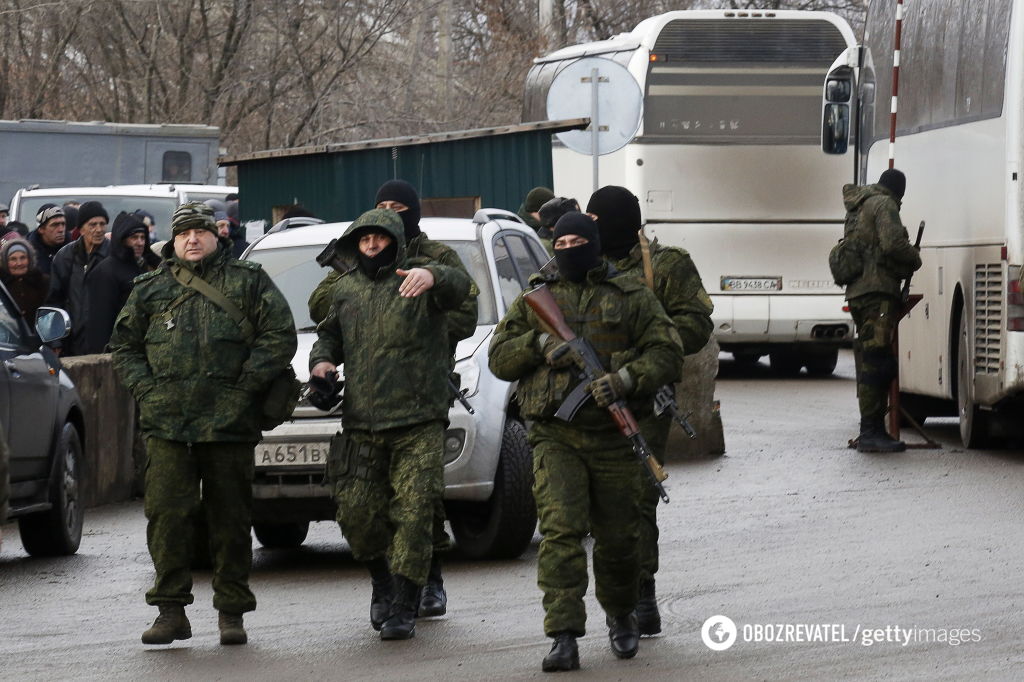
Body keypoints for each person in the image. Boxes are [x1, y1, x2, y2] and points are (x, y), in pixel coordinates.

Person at [487, 212, 684, 672]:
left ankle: (620, 614)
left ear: (595, 244)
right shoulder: (538, 296)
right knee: (561, 532)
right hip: (555, 436)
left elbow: (668, 349)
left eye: (579, 240)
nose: (570, 248)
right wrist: (538, 346)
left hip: (613, 439)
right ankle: (563, 634)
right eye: (563, 241)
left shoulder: (630, 294)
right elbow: (499, 356)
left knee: (618, 539)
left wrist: (626, 378)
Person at [109, 202, 296, 646]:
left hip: (228, 423)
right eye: (183, 234)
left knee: (230, 519)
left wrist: (245, 388)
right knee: (167, 517)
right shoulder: (150, 289)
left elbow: (279, 336)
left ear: (217, 237)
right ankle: (170, 611)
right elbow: (124, 347)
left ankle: (232, 612)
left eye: (200, 232)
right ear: (172, 242)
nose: (192, 239)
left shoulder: (248, 283)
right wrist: (147, 391)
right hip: (168, 425)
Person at [309, 179, 479, 618]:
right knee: (362, 509)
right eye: (380, 206)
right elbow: (326, 318)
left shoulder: (434, 259)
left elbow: (464, 304)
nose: (386, 216)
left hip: (419, 400)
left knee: (419, 504)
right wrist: (322, 363)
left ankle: (418, 588)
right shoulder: (351, 278)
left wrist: (428, 297)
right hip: (365, 412)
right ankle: (387, 584)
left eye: (397, 208)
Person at [586, 185, 714, 636]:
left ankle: (642, 594)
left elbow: (696, 326)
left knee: (639, 498)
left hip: (644, 401)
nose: (593, 230)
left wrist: (642, 350)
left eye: (600, 220)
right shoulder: (582, 262)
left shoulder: (667, 265)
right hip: (586, 401)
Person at [841, 168, 922, 452]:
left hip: (859, 292)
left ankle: (872, 429)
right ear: (898, 191)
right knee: (878, 363)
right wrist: (914, 258)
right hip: (877, 292)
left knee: (873, 359)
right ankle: (871, 431)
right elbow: (892, 244)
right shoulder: (884, 204)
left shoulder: (859, 205)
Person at [83, 212, 161, 354]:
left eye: (143, 237)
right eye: (134, 237)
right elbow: (100, 321)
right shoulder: (105, 272)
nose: (140, 242)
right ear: (122, 239)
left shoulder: (142, 267)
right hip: (117, 352)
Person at [46, 201, 110, 355]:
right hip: (71, 342)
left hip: (106, 342)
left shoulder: (114, 255)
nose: (99, 229)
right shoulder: (64, 257)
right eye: (93, 224)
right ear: (81, 228)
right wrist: (55, 340)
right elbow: (54, 301)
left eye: (102, 224)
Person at [0, 237, 50, 320]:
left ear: (30, 260)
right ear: (5, 262)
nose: (19, 263)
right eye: (13, 259)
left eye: (23, 258)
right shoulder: (2, 286)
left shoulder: (43, 282)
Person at [28, 204, 67, 275]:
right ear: (41, 229)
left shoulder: (74, 249)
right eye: (55, 225)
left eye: (63, 224)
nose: (61, 230)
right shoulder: (28, 254)